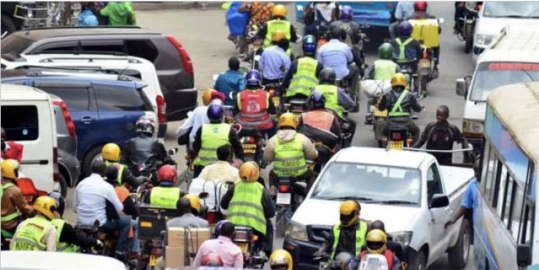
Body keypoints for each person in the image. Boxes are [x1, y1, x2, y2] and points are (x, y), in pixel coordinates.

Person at [73, 160, 131, 260]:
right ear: (104, 172)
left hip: (81, 223)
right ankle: (119, 252)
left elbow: (74, 208)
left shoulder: (81, 184)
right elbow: (120, 208)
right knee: (126, 221)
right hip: (100, 224)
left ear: (92, 170)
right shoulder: (106, 187)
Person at [221, 162, 275, 256]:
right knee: (269, 226)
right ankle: (267, 251)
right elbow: (270, 212)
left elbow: (223, 204)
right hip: (254, 226)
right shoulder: (260, 189)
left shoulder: (235, 187)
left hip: (232, 225)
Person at [263, 113, 318, 187]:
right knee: (312, 175)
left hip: (279, 175)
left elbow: (267, 158)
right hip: (300, 175)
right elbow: (312, 155)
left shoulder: (273, 140)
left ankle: (273, 193)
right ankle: (308, 196)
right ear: (295, 123)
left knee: (271, 174)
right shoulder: (302, 138)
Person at [156, 197, 210, 269]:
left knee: (158, 264)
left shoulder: (170, 224)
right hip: (198, 262)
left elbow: (166, 245)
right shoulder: (204, 223)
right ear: (190, 208)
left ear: (178, 209)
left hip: (176, 261)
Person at [192, 104, 244, 178]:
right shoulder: (229, 129)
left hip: (203, 166)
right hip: (225, 167)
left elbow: (196, 147)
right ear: (222, 116)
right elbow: (238, 148)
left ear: (208, 116)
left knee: (195, 183)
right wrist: (240, 160)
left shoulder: (202, 128)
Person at [313, 68, 357, 144]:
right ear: (333, 79)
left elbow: (307, 103)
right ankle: (345, 146)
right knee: (352, 124)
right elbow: (350, 104)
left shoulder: (315, 89)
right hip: (335, 119)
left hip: (315, 118)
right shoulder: (337, 90)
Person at [104, 166, 140, 258]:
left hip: (100, 219)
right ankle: (133, 251)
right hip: (115, 221)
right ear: (117, 176)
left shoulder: (101, 188)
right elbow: (132, 210)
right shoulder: (121, 190)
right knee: (136, 224)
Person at [298, 91, 341, 164]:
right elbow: (337, 135)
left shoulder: (304, 115)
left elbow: (298, 132)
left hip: (307, 146)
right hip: (326, 147)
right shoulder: (331, 116)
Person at [378, 73, 423, 142]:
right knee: (416, 131)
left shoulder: (387, 95)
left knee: (381, 133)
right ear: (404, 83)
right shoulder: (409, 95)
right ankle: (412, 144)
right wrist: (421, 108)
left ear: (392, 83)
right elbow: (417, 108)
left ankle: (385, 141)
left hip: (390, 122)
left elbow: (380, 108)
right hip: (407, 122)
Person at [1, 159, 34, 248]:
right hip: (9, 224)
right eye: (16, 170)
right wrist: (34, 211)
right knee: (29, 233)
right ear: (12, 172)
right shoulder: (14, 190)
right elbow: (24, 208)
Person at [317, 27, 360, 96]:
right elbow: (350, 59)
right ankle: (352, 94)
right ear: (340, 37)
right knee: (355, 69)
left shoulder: (323, 47)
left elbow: (319, 63)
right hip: (342, 75)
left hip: (326, 75)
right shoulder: (344, 46)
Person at [234, 69, 277, 136]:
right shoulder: (266, 94)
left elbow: (235, 112)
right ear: (259, 81)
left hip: (244, 126)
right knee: (274, 123)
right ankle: (270, 143)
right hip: (263, 126)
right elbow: (272, 111)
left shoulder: (240, 95)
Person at [445, 157, 482, 231]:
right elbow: (465, 205)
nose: (475, 174)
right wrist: (454, 219)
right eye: (474, 171)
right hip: (478, 226)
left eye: (477, 171)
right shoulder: (472, 185)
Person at [282, 34, 323, 100]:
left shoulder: (296, 62)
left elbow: (286, 80)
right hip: (310, 97)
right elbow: (322, 85)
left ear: (303, 47)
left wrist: (283, 88)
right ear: (315, 48)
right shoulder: (319, 65)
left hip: (292, 95)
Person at [410, 1, 440, 71]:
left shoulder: (432, 19)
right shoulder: (409, 19)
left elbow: (438, 30)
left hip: (428, 44)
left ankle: (436, 63)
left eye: (422, 11)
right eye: (418, 11)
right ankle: (436, 63)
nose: (420, 13)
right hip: (415, 43)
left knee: (437, 45)